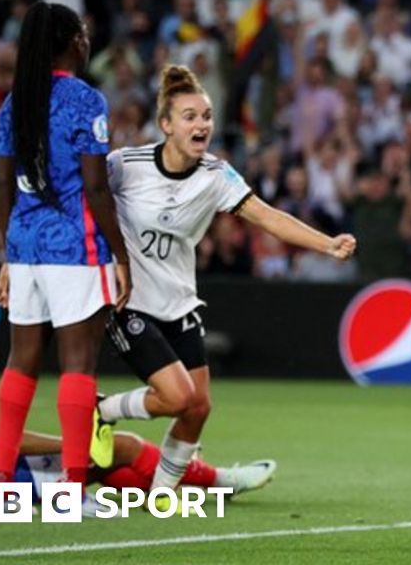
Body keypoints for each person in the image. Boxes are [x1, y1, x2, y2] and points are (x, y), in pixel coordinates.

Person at [96, 65, 356, 506]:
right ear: (166, 125)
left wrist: (326, 244)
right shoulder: (125, 166)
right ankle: (102, 411)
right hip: (129, 301)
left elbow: (267, 216)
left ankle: (162, 495)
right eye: (189, 117)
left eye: (207, 116)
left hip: (179, 302)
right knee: (178, 397)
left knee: (198, 407)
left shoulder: (216, 175)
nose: (202, 125)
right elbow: (82, 195)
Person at [0, 2, 131, 499]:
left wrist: (8, 255)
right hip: (74, 246)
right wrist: (121, 256)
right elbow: (95, 186)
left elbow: (3, 185)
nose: (88, 41)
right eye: (84, 34)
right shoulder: (85, 100)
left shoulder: (14, 101)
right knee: (78, 364)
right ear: (74, 42)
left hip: (25, 247)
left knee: (20, 361)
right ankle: (72, 489)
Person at [0, 342, 274, 515]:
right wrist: (72, 446)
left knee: (109, 462)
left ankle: (182, 489)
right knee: (121, 446)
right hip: (16, 486)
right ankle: (219, 479)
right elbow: (4, 439)